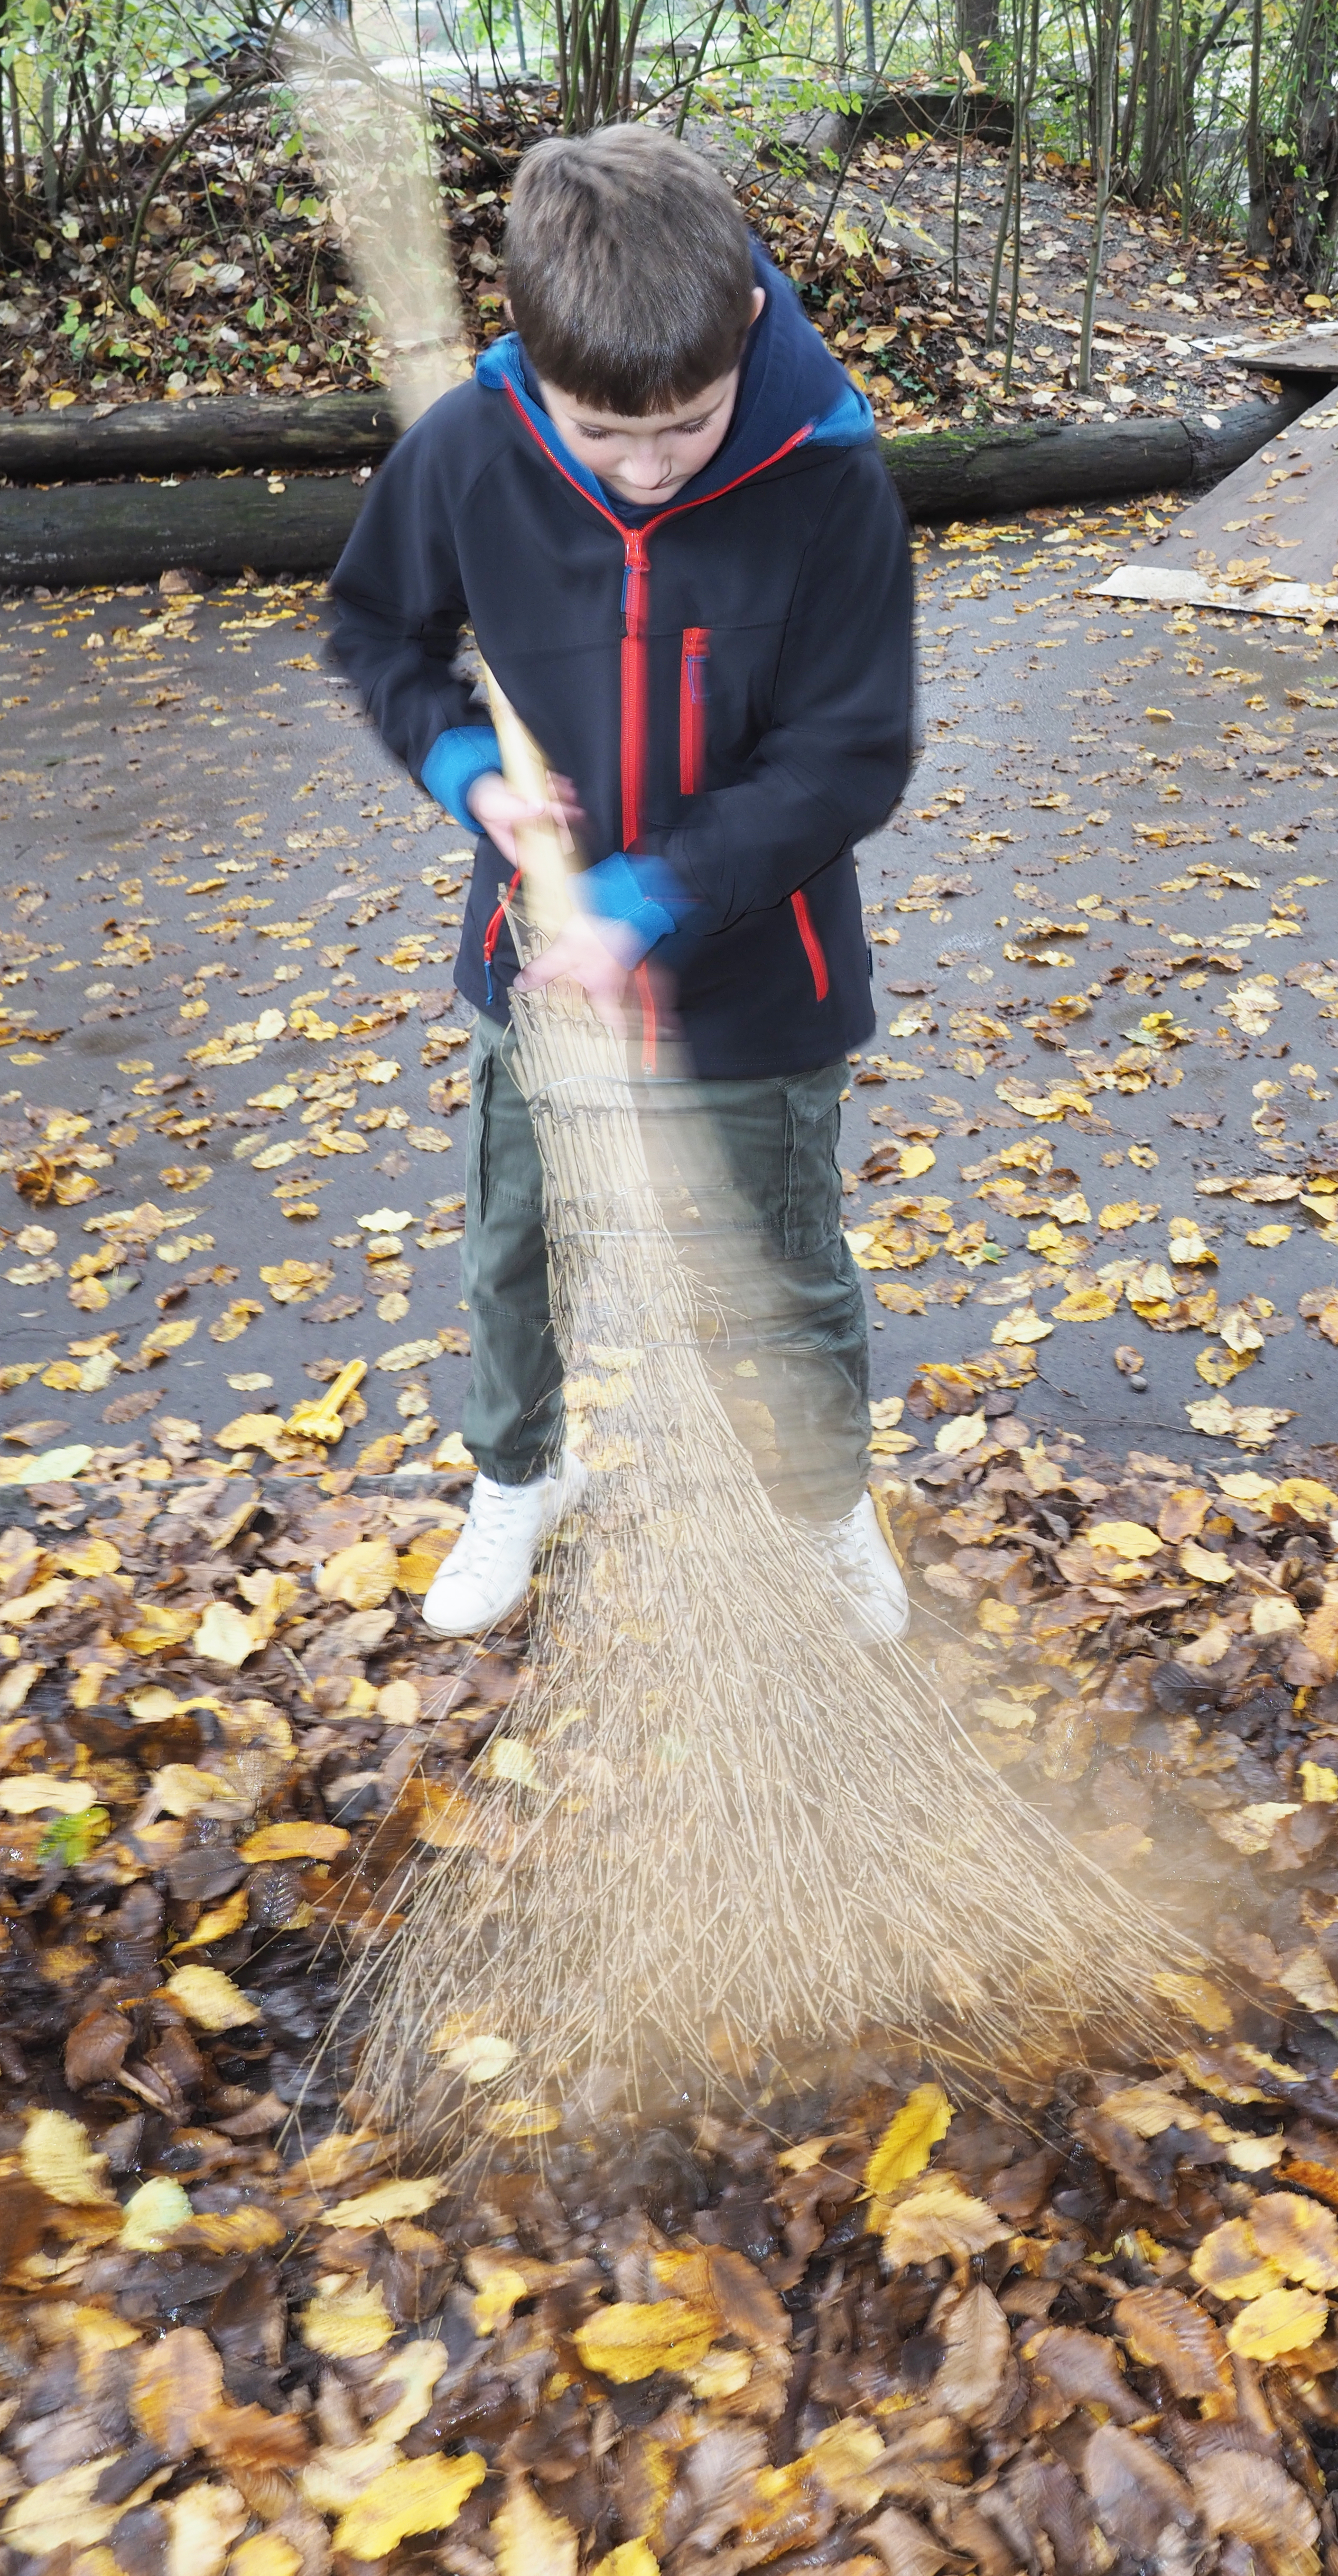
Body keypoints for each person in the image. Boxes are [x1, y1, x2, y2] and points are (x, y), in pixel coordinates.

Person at [330, 124, 913, 1639]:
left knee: (787, 1279)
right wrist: (472, 777)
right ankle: (522, 1477)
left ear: (741, 336)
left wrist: (652, 901)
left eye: (689, 425)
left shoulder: (828, 475)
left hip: (758, 978)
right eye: (607, 437)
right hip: (534, 969)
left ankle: (822, 1507)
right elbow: (376, 633)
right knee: (514, 1247)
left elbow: (853, 755)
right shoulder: (470, 447)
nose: (651, 469)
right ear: (537, 368)